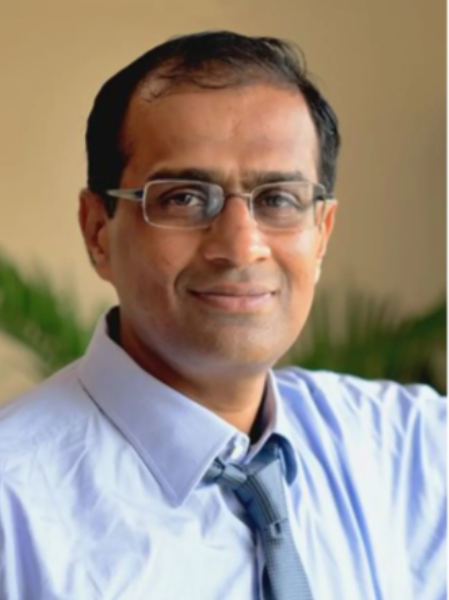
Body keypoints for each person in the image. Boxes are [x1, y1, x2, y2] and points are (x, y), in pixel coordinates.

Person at [0, 31, 445, 600]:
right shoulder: (13, 508)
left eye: (278, 199)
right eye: (183, 197)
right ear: (97, 232)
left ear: (321, 233)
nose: (240, 247)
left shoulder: (410, 452)